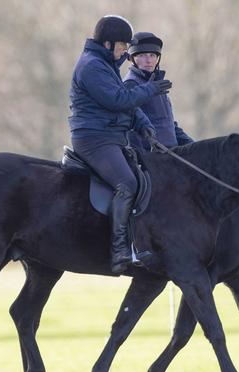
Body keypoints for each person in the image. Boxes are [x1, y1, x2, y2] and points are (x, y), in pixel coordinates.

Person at [69, 15, 173, 274]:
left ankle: (138, 242)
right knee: (127, 183)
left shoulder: (105, 64)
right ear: (108, 43)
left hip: (110, 137)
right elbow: (116, 99)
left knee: (142, 180)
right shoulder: (91, 66)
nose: (126, 51)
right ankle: (119, 251)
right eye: (123, 46)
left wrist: (144, 123)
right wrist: (151, 90)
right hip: (94, 139)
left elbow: (126, 101)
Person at [124, 32, 193, 151]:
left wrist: (193, 146)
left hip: (170, 153)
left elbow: (170, 125)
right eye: (142, 55)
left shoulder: (158, 84)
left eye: (152, 55)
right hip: (151, 156)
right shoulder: (131, 84)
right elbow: (132, 128)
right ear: (132, 59)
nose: (149, 60)